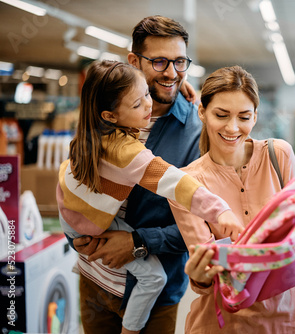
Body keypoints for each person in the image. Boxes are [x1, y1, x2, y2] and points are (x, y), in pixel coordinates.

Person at [58, 59, 243, 334]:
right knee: (154, 277)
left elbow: (111, 80)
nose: (148, 105)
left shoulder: (92, 128)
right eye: (137, 103)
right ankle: (131, 330)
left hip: (72, 215)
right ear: (110, 114)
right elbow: (178, 183)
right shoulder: (128, 152)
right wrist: (220, 210)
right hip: (89, 235)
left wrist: (177, 88)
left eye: (146, 93)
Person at [69, 16, 207, 334]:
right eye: (159, 61)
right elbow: (76, 176)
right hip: (95, 281)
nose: (172, 73)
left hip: (155, 294)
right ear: (134, 60)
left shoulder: (195, 131)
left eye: (180, 61)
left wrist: (137, 243)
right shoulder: (105, 111)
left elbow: (202, 224)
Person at [170, 65, 295, 334]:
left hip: (285, 322)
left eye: (244, 116)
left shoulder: (278, 156)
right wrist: (199, 276)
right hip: (220, 326)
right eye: (221, 115)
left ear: (255, 116)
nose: (232, 127)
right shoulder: (188, 183)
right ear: (202, 112)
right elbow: (206, 278)